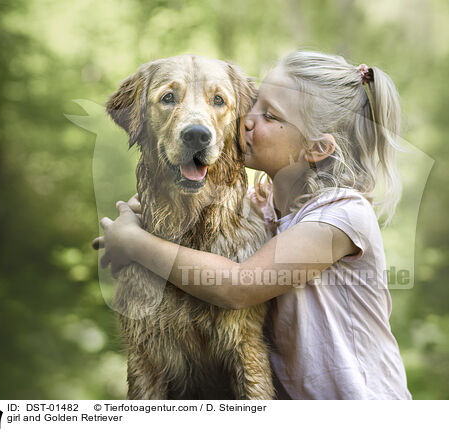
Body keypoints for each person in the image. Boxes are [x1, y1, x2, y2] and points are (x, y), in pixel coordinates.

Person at [94, 51, 412, 400]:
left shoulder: (341, 216)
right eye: (252, 104)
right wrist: (136, 216)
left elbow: (237, 285)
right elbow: (201, 210)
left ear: (317, 148)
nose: (244, 118)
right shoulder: (267, 205)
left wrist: (134, 242)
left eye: (269, 115)